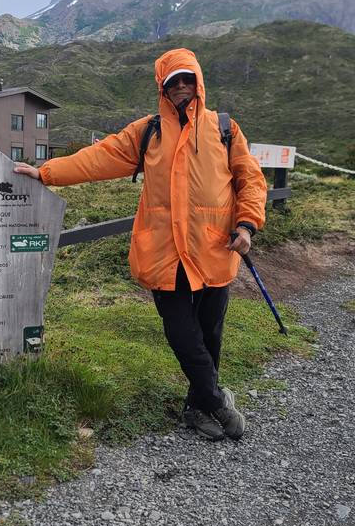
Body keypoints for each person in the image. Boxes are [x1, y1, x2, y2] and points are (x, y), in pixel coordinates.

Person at [14, 48, 267, 441]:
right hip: (166, 255)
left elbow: (250, 179)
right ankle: (216, 401)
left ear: (198, 82)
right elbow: (99, 158)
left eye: (187, 79)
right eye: (173, 81)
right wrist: (46, 172)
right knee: (183, 335)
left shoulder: (225, 128)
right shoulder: (147, 131)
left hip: (215, 250)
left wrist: (247, 225)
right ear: (163, 88)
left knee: (210, 334)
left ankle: (196, 408)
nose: (181, 87)